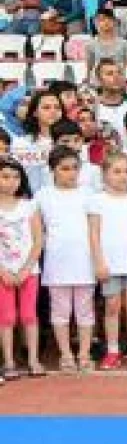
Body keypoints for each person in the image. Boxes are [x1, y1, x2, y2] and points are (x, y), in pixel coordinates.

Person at [88, 153, 127, 369]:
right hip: (110, 264)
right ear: (105, 174)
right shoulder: (97, 201)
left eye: (126, 171)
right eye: (116, 171)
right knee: (112, 306)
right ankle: (113, 350)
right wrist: (99, 262)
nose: (123, 176)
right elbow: (94, 234)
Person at [38, 148, 96, 373]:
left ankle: (84, 353)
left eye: (75, 168)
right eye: (64, 169)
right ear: (52, 170)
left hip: (85, 261)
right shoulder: (43, 195)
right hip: (56, 262)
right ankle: (65, 354)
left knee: (85, 310)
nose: (71, 173)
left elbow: (96, 229)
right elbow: (37, 229)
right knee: (60, 311)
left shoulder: (89, 193)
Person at [0, 156, 45, 379]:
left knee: (29, 315)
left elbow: (38, 240)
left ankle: (33, 359)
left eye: (16, 177)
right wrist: (3, 272)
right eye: (5, 176)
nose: (11, 181)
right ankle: (9, 361)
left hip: (29, 270)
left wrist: (27, 268)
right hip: (3, 273)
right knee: (6, 317)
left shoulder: (29, 206)